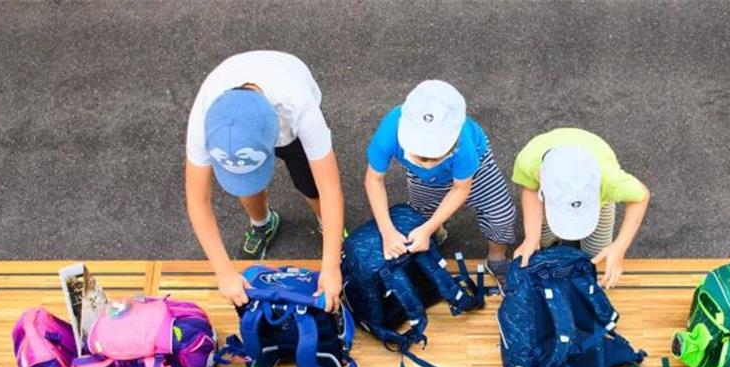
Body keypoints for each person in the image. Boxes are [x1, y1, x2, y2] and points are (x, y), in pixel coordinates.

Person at [184, 51, 345, 310]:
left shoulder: (300, 107)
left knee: (309, 185)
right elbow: (197, 200)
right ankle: (263, 224)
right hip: (247, 113)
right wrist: (223, 272)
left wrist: (331, 265)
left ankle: (328, 226)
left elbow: (330, 188)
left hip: (290, 113)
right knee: (249, 187)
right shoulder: (205, 120)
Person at [363, 80, 517, 275]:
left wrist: (427, 229)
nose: (427, 165)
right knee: (422, 212)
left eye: (435, 156)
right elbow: (373, 179)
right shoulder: (389, 131)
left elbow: (461, 188)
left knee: (500, 215)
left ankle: (497, 259)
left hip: (476, 171)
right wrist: (387, 231)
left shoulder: (465, 145)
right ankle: (436, 232)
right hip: (422, 180)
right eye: (420, 157)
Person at [511, 127, 650, 288]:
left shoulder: (610, 180)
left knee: (598, 251)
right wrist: (532, 238)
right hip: (548, 180)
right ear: (541, 177)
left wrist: (619, 247)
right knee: (543, 239)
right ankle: (551, 247)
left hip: (601, 195)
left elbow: (641, 197)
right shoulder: (529, 161)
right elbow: (531, 190)